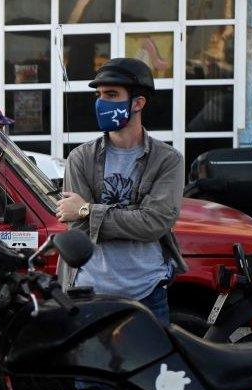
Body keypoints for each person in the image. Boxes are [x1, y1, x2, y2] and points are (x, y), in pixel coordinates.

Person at [56, 57, 187, 325]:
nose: (101, 102)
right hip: (89, 291)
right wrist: (128, 218)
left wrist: (87, 209)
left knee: (154, 368)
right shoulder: (80, 158)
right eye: (99, 95)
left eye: (112, 95)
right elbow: (78, 229)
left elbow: (155, 223)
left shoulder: (167, 159)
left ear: (138, 103)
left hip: (147, 293)